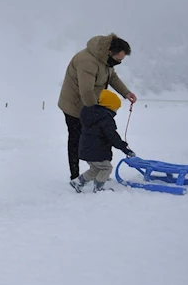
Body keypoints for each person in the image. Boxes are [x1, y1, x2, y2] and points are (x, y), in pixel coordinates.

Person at [58, 34, 137, 182]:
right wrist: (95, 113)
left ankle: (97, 170)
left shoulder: (105, 60)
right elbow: (86, 91)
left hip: (91, 105)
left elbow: (112, 77)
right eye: (119, 59)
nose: (119, 62)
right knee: (76, 140)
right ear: (109, 52)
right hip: (74, 105)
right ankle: (75, 175)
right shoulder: (87, 61)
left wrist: (126, 93)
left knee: (95, 138)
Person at [72, 90, 136, 193]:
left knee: (95, 169)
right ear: (110, 106)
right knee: (106, 168)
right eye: (116, 108)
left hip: (86, 149)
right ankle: (99, 188)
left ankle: (78, 182)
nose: (116, 110)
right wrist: (125, 148)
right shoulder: (106, 118)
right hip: (97, 151)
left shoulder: (93, 115)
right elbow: (112, 136)